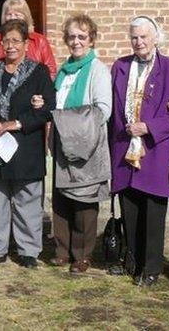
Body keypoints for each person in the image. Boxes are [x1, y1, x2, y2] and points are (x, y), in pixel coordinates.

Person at [0, 19, 55, 269]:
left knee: (27, 200)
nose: (10, 46)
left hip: (25, 147)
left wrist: (13, 124)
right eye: (6, 41)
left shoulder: (38, 73)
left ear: (27, 44)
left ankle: (28, 250)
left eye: (16, 41)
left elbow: (47, 109)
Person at [109, 15, 169, 287]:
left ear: (155, 38)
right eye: (134, 37)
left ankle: (151, 268)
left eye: (143, 37)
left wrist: (149, 127)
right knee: (129, 207)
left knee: (153, 212)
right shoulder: (120, 66)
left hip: (154, 150)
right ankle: (132, 261)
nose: (139, 42)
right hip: (123, 149)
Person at [45, 14, 112, 274]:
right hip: (62, 139)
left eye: (81, 37)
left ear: (91, 39)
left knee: (84, 199)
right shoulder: (63, 70)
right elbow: (55, 103)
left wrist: (69, 122)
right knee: (61, 196)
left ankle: (82, 254)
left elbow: (103, 109)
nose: (76, 41)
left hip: (86, 141)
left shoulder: (97, 70)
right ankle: (62, 249)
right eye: (71, 37)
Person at [0, 0, 57, 78]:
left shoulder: (39, 40)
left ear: (26, 17)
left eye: (17, 14)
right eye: (9, 14)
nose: (13, 18)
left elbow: (51, 70)